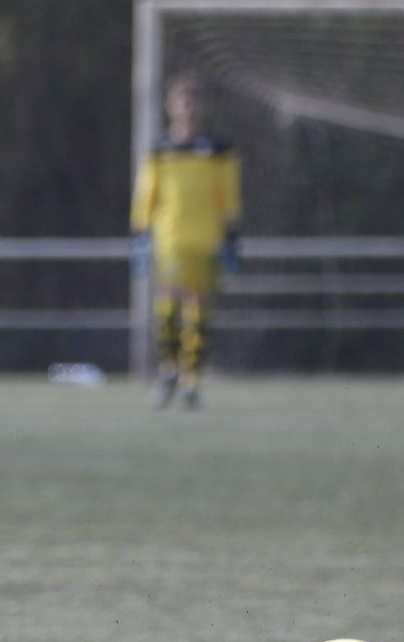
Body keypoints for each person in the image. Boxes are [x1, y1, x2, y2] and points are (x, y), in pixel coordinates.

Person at [130, 71, 241, 410]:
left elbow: (229, 195)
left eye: (193, 102)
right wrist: (141, 233)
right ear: (171, 106)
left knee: (198, 310)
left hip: (206, 239)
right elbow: (148, 192)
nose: (188, 109)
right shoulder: (161, 150)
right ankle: (169, 370)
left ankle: (192, 378)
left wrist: (232, 238)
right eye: (182, 102)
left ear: (200, 107)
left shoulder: (219, 149)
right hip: (169, 238)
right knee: (167, 307)